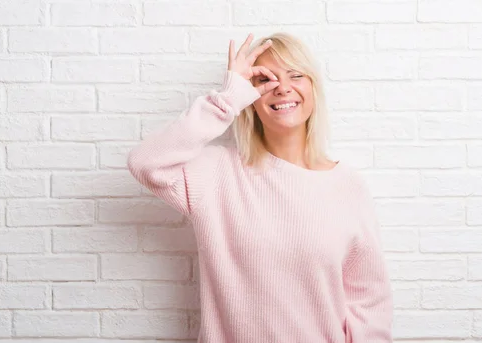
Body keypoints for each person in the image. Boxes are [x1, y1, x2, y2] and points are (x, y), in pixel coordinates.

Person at [127, 32, 393, 343]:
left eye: (295, 74)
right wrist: (228, 98)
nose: (283, 87)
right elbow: (146, 163)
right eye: (266, 79)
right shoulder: (216, 172)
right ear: (250, 98)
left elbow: (368, 303)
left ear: (313, 88)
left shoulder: (348, 186)